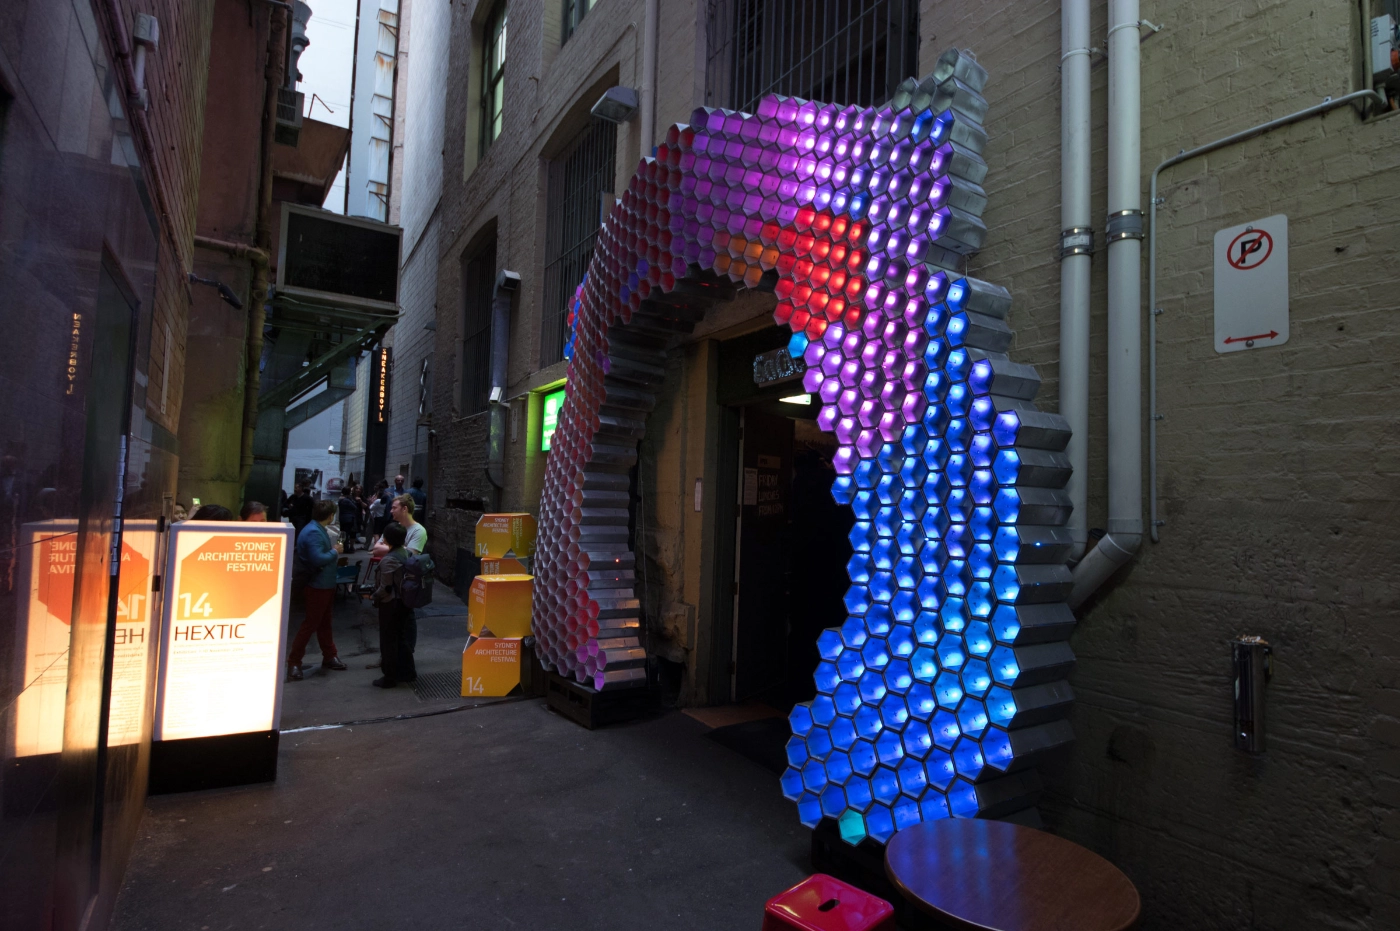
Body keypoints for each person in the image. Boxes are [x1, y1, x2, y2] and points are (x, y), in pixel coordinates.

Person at [286, 500, 348, 681]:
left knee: (324, 622)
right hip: (317, 585)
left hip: (324, 584)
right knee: (311, 624)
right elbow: (317, 559)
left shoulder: (314, 528)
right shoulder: (313, 531)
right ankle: (294, 662)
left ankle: (329, 655)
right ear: (330, 516)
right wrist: (335, 551)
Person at [370, 521, 417, 687]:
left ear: (387, 539)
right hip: (404, 602)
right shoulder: (407, 554)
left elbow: (385, 588)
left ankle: (389, 677)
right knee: (401, 638)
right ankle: (408, 672)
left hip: (391, 604)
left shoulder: (388, 560)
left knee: (388, 641)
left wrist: (373, 596)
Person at [337, 487, 361, 553]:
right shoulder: (347, 500)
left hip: (342, 517)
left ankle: (341, 546)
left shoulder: (340, 499)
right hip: (349, 518)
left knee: (342, 532)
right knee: (347, 534)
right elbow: (354, 507)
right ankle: (346, 548)